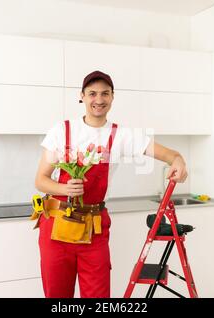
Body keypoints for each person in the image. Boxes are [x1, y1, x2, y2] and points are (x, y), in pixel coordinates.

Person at [34, 70, 188, 298]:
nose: (99, 100)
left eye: (105, 94)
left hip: (94, 231)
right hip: (56, 229)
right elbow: (41, 180)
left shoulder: (122, 136)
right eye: (92, 93)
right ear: (82, 96)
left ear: (112, 97)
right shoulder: (62, 131)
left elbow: (170, 155)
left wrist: (179, 161)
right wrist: (64, 189)